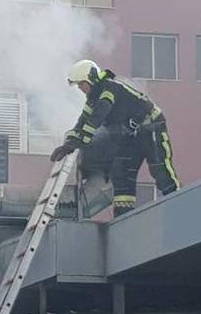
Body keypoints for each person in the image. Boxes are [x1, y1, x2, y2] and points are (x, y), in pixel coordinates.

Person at [51, 59, 181, 217]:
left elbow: (99, 115)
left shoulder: (110, 89)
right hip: (129, 135)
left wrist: (79, 142)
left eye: (81, 84)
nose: (80, 88)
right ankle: (123, 217)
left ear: (91, 78)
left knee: (160, 168)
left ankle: (178, 206)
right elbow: (82, 121)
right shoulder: (92, 99)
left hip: (151, 126)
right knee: (121, 174)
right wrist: (69, 143)